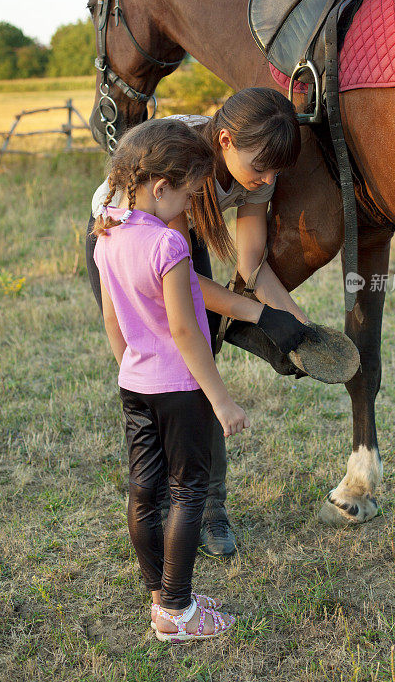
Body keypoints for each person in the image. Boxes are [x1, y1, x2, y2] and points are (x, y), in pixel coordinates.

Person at [86, 87, 313, 557]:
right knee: (171, 374)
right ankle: (172, 498)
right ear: (225, 141)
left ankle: (210, 506)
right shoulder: (180, 168)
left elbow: (250, 264)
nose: (267, 179)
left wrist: (298, 327)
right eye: (261, 168)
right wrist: (257, 313)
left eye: (276, 171)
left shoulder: (257, 168)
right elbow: (182, 284)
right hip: (123, 239)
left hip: (174, 244)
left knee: (197, 371)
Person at [92, 118, 258, 641]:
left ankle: (161, 598)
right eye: (187, 195)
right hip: (180, 390)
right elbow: (188, 332)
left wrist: (131, 366)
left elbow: (112, 320)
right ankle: (180, 613)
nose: (189, 207)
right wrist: (222, 400)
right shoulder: (169, 245)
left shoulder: (107, 237)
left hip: (135, 384)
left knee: (145, 491)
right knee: (188, 494)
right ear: (160, 188)